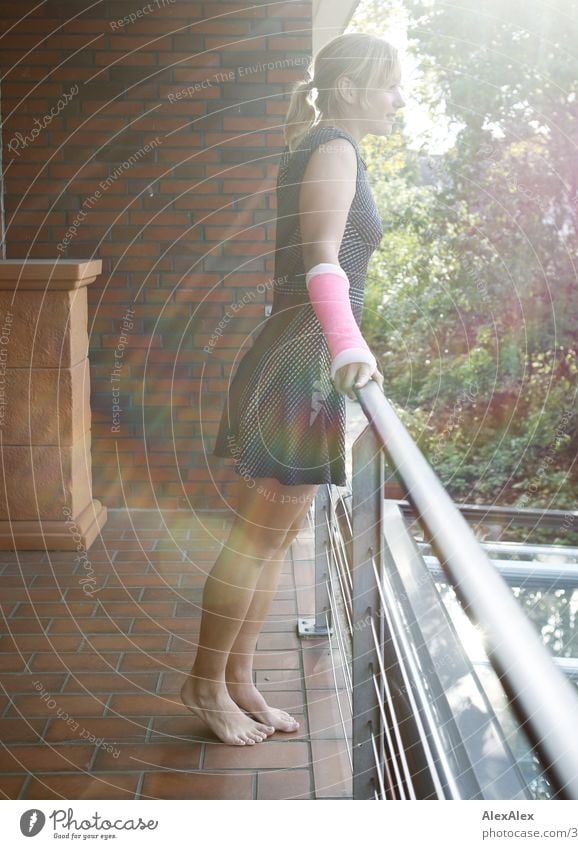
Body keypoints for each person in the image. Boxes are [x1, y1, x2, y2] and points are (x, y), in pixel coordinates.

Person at [180, 32, 405, 745]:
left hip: (313, 360)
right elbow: (319, 260)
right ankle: (202, 684)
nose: (399, 99)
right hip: (305, 359)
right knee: (256, 536)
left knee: (275, 538)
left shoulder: (334, 144)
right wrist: (348, 346)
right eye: (389, 84)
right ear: (348, 90)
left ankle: (238, 678)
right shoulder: (334, 147)